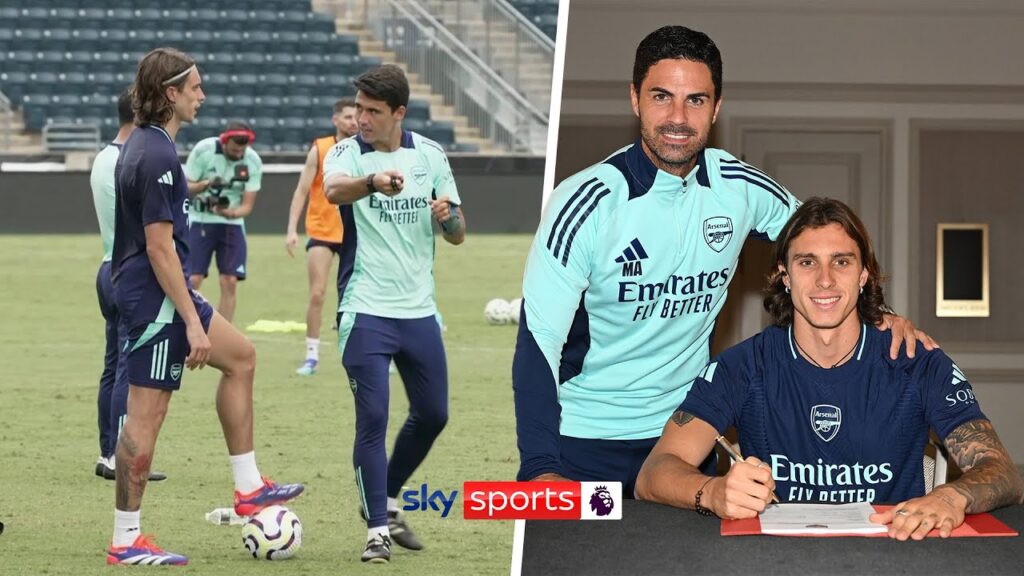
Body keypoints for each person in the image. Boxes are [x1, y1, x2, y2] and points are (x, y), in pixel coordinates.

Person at [513, 25, 933, 498]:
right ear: (634, 100)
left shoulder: (739, 188)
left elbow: (829, 249)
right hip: (582, 444)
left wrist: (882, 315)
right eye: (661, 97)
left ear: (716, 107)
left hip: (684, 442)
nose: (677, 116)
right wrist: (540, 467)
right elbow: (537, 342)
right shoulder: (585, 202)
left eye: (695, 100)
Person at [636, 197, 1023, 539]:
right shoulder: (742, 367)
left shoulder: (917, 361)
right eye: (807, 262)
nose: (825, 280)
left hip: (897, 555)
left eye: (841, 261)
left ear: (863, 275)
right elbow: (653, 473)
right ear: (783, 277)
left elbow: (1004, 472)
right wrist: (714, 492)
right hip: (771, 561)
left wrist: (951, 495)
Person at [106, 47, 302, 565]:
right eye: (195, 87)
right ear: (169, 93)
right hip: (155, 299)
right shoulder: (158, 154)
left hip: (161, 292)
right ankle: (126, 539)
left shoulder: (149, 146)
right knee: (147, 415)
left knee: (241, 357)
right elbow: (158, 247)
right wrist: (192, 320)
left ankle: (249, 488)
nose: (203, 96)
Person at [323, 64, 465, 563]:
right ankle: (376, 531)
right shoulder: (346, 153)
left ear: (398, 113)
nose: (361, 118)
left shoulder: (430, 155)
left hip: (419, 311)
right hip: (365, 309)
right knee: (374, 420)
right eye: (358, 108)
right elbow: (334, 190)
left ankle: (385, 495)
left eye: (373, 111)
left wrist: (447, 218)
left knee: (434, 414)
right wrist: (373, 182)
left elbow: (459, 230)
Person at [90, 87, 166, 482]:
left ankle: (107, 450)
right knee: (126, 367)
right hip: (128, 270)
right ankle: (120, 454)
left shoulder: (103, 157)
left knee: (111, 365)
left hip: (106, 266)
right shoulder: (130, 161)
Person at [285, 99, 359, 376]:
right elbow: (302, 191)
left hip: (355, 232)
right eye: (348, 117)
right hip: (322, 230)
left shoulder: (363, 148)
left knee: (356, 297)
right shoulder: (320, 149)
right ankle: (312, 356)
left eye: (356, 116)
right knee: (317, 293)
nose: (353, 121)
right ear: (336, 120)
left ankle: (361, 353)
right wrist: (292, 229)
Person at [184, 119, 264, 323]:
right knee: (193, 279)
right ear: (225, 142)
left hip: (232, 224)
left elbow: (247, 206)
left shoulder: (253, 161)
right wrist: (205, 186)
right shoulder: (204, 150)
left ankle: (224, 335)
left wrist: (229, 213)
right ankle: (187, 328)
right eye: (235, 149)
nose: (239, 154)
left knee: (230, 281)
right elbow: (186, 186)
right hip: (199, 219)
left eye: (242, 150)